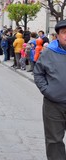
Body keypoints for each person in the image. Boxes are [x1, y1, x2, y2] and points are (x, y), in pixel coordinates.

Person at [34, 19, 66, 160]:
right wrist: (47, 91)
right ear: (58, 35)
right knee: (54, 141)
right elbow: (38, 73)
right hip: (53, 105)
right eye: (64, 33)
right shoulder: (48, 53)